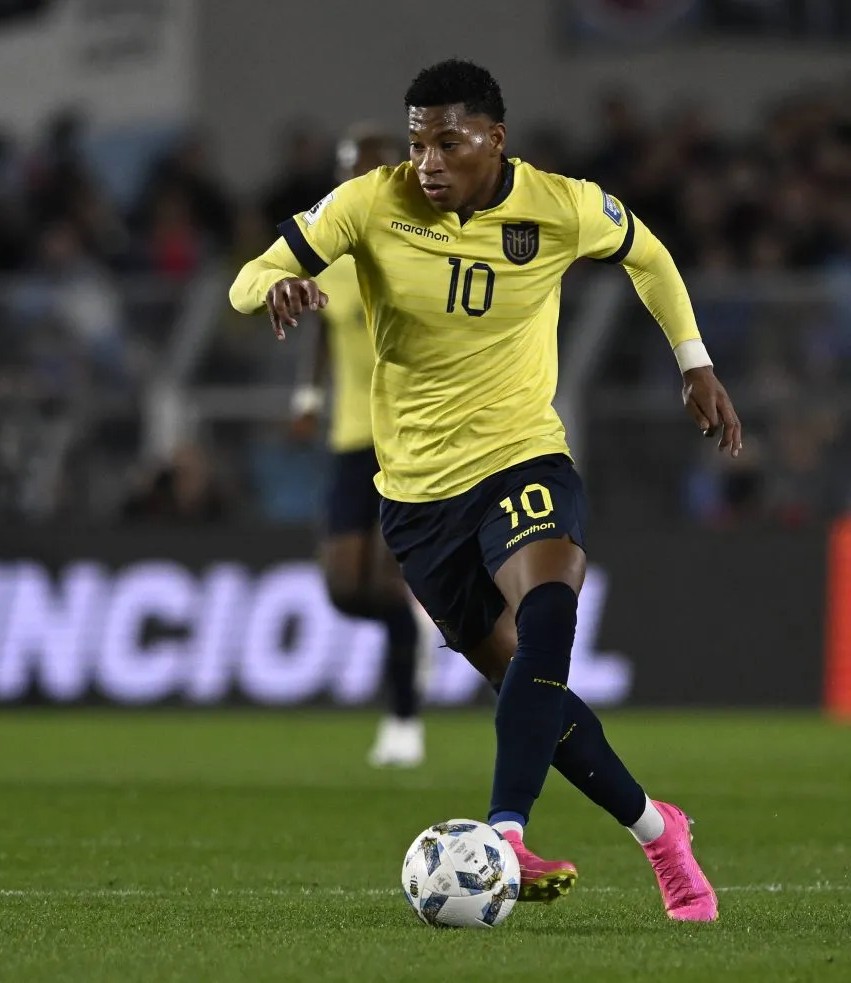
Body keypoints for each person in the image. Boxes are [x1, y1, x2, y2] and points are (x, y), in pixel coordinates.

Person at [230, 59, 741, 922]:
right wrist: (275, 284)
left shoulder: (560, 205)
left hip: (522, 455)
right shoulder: (369, 201)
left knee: (547, 608)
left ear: (494, 140)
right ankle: (661, 830)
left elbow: (647, 252)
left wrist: (694, 362)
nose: (427, 160)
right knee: (528, 689)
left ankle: (504, 832)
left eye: (448, 141)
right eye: (417, 141)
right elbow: (247, 276)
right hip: (418, 496)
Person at [289, 125, 433, 767]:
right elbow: (323, 329)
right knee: (344, 588)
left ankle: (403, 719)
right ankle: (416, 629)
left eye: (371, 169)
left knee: (382, 573)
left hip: (406, 437)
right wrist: (308, 399)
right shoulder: (332, 255)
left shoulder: (416, 247)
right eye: (352, 169)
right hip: (350, 435)